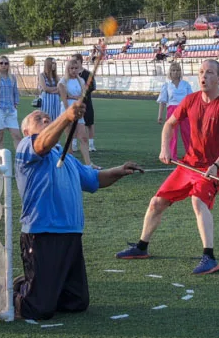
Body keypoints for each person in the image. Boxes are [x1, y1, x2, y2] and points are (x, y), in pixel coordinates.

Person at [13, 104, 143, 320]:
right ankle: (14, 289)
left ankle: (37, 284)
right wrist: (66, 116)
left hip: (71, 234)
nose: (45, 118)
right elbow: (43, 142)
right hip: (42, 233)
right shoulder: (27, 147)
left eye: (47, 117)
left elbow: (94, 180)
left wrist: (119, 171)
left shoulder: (67, 159)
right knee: (38, 309)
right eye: (38, 117)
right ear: (26, 131)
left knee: (76, 302)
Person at [116, 60, 219, 275]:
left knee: (198, 201)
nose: (204, 76)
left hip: (213, 168)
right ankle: (141, 247)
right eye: (201, 72)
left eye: (209, 73)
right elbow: (169, 124)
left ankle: (209, 257)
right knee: (156, 203)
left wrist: (216, 165)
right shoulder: (190, 100)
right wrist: (165, 148)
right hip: (189, 164)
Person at [58, 57, 96, 168]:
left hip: (78, 109)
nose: (74, 70)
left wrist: (78, 101)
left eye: (76, 68)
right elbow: (64, 99)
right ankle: (70, 162)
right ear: (68, 69)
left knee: (83, 137)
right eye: (71, 68)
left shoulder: (81, 81)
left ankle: (89, 163)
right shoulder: (63, 81)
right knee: (70, 137)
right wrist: (68, 113)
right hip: (68, 110)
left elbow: (82, 96)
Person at [157, 62, 193, 159]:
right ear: (170, 72)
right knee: (172, 134)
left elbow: (191, 100)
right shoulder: (167, 85)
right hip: (172, 110)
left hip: (185, 110)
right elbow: (163, 101)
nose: (175, 72)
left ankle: (191, 155)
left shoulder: (186, 84)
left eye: (177, 70)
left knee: (188, 133)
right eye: (173, 70)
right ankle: (171, 155)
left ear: (180, 72)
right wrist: (160, 116)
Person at [73, 53, 98, 153]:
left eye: (75, 61)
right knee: (74, 123)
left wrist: (83, 92)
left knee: (89, 123)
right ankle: (74, 144)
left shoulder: (87, 74)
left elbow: (93, 86)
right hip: (74, 103)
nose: (73, 63)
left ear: (80, 61)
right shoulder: (71, 74)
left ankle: (91, 145)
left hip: (86, 102)